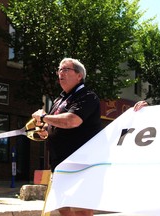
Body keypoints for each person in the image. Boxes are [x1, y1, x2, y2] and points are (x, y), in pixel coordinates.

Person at [32, 58, 101, 216]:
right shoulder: (59, 99)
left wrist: (43, 117)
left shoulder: (88, 96)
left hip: (81, 162)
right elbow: (54, 124)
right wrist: (45, 131)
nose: (60, 73)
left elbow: (72, 120)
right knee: (63, 206)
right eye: (59, 70)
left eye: (65, 69)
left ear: (79, 75)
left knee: (82, 208)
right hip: (59, 162)